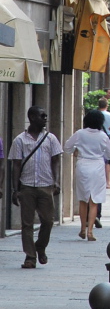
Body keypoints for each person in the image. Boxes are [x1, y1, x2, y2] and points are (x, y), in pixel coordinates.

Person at [9, 107, 62, 268]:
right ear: (32, 117)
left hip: (46, 186)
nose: (45, 118)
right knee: (27, 224)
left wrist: (56, 181)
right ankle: (30, 257)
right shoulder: (20, 140)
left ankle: (40, 246)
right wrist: (15, 189)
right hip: (27, 187)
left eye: (46, 115)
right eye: (42, 116)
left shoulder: (50, 138)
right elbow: (16, 165)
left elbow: (56, 161)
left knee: (47, 221)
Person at [63, 109, 110, 241]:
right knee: (94, 200)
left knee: (83, 199)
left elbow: (67, 147)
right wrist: (100, 153)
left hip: (82, 165)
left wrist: (76, 150)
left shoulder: (80, 134)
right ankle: (90, 231)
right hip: (97, 167)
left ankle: (82, 229)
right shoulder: (103, 136)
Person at [97, 96, 110, 188]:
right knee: (108, 161)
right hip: (109, 138)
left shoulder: (95, 115)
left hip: (97, 138)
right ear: (107, 105)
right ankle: (108, 182)